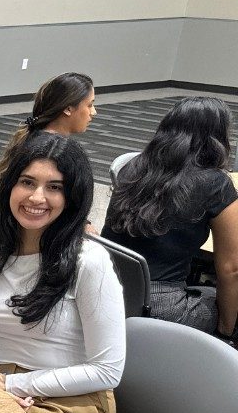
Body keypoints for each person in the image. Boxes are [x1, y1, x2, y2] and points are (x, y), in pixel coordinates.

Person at [0, 133, 126, 413]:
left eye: (54, 187)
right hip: (2, 391)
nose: (37, 197)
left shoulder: (89, 261)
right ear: (10, 186)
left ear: (73, 197)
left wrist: (11, 385)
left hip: (72, 408)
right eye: (27, 182)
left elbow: (107, 370)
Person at [102, 96, 238, 338]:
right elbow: (232, 269)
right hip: (159, 307)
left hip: (106, 289)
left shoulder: (133, 167)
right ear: (217, 137)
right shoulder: (215, 184)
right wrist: (225, 332)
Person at [0, 72, 97, 179]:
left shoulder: (30, 140)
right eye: (90, 105)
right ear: (68, 109)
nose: (94, 112)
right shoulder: (57, 156)